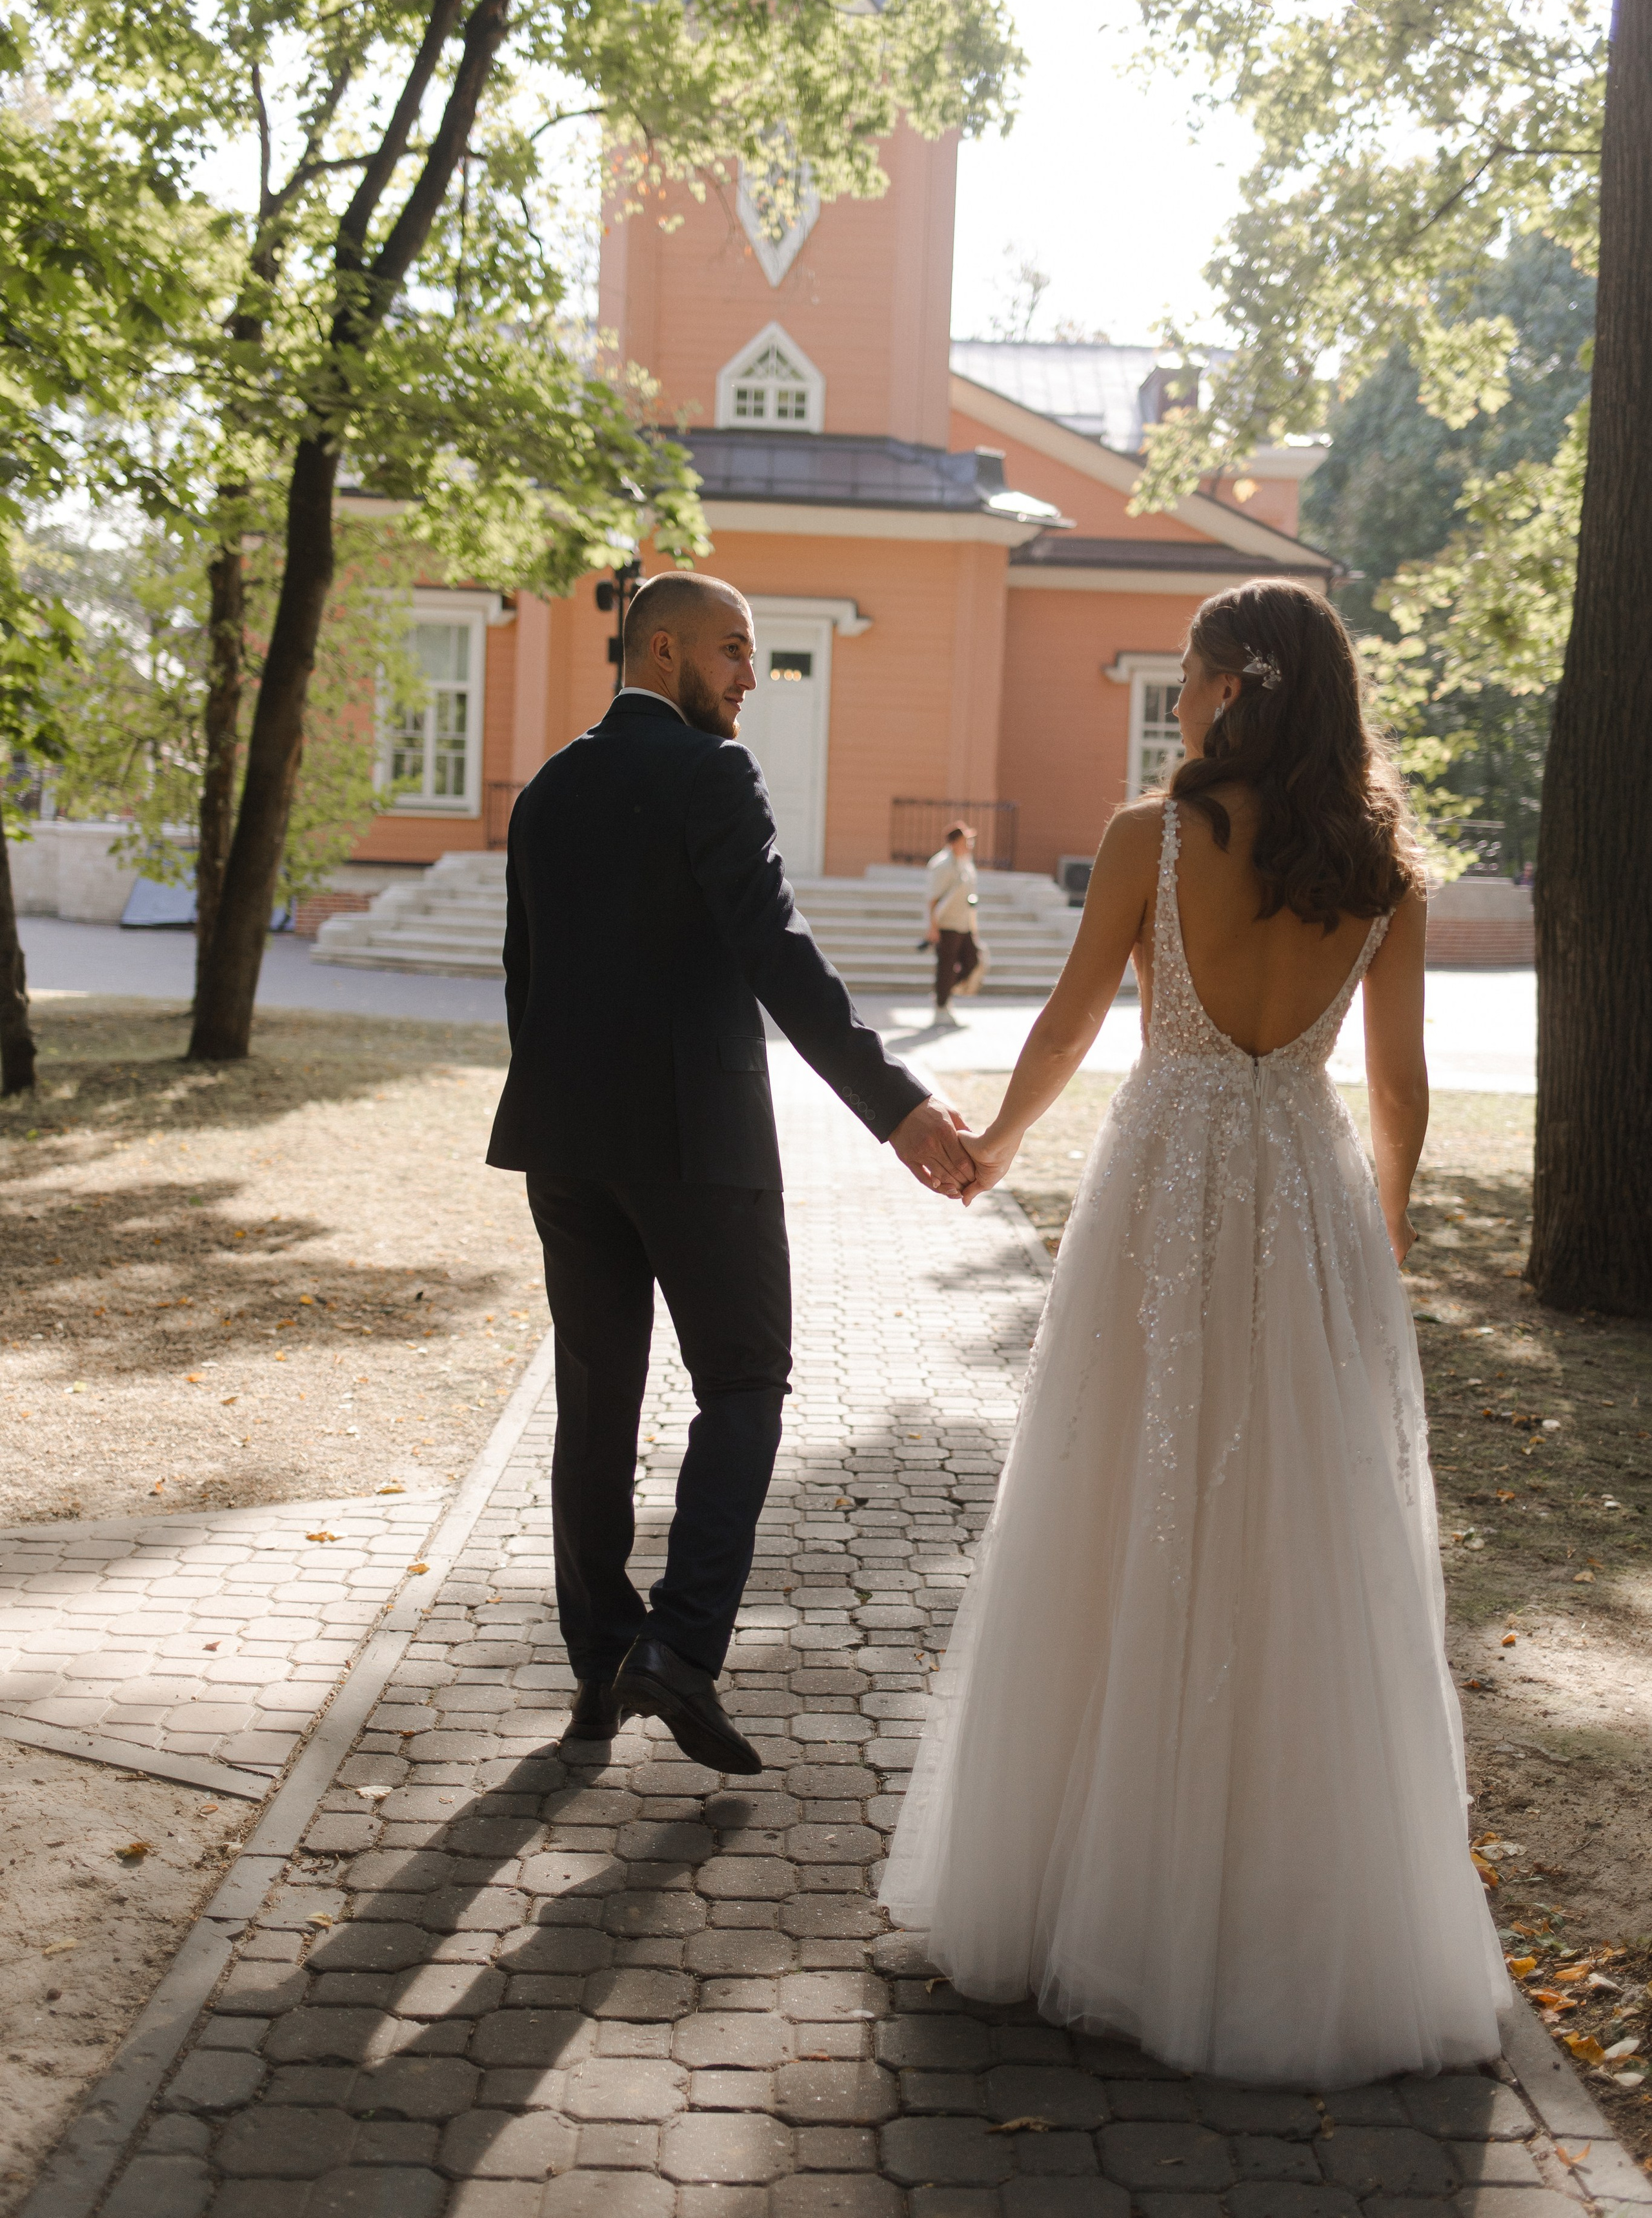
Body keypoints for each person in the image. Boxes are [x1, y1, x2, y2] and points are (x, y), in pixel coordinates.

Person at [880, 577, 1509, 2085]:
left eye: (1185, 671)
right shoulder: (1382, 870)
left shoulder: (1149, 837)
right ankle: (1277, 1897)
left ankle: (1102, 1877)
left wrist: (996, 1147)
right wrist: (1383, 1229)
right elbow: (1399, 1084)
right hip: (1305, 1191)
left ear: (1234, 685)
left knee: (1119, 1486)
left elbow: (1067, 1021)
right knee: (1296, 1518)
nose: (1175, 696)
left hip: (1161, 1186)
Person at [487, 571, 974, 1779]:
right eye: (733, 651)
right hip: (697, 1141)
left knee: (595, 1403)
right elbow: (777, 953)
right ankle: (680, 1645)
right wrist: (896, 1105)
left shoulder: (547, 789)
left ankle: (600, 1665)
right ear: (661, 650)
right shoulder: (713, 772)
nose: (752, 677)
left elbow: (523, 977)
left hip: (564, 1144)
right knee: (747, 1385)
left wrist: (562, 1108)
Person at [925, 823, 980, 1025]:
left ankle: (943, 992)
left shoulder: (966, 862)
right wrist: (932, 927)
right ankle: (941, 1006)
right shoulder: (942, 865)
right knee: (946, 967)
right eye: (966, 840)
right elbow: (933, 899)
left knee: (972, 961)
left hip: (964, 924)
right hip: (946, 925)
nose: (970, 844)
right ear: (955, 842)